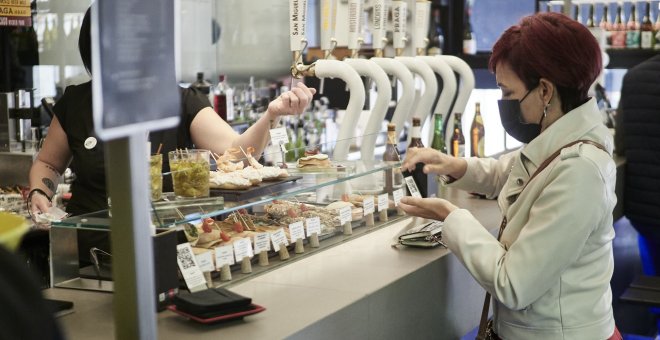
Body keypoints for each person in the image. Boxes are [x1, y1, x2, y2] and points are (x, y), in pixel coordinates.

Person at [399, 12, 621, 339]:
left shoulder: (580, 169)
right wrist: (453, 165)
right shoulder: (560, 139)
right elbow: (512, 170)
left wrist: (452, 217)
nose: (503, 102)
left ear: (545, 91)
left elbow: (513, 284)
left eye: (507, 92)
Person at [27, 7, 315, 217]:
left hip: (165, 241)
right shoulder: (76, 103)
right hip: (89, 246)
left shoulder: (179, 101)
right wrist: (40, 192)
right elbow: (49, 164)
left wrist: (270, 115)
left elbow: (236, 152)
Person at [616, 54, 660, 277]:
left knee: (654, 272)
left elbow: (620, 142)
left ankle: (656, 310)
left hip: (645, 208)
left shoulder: (633, 76)